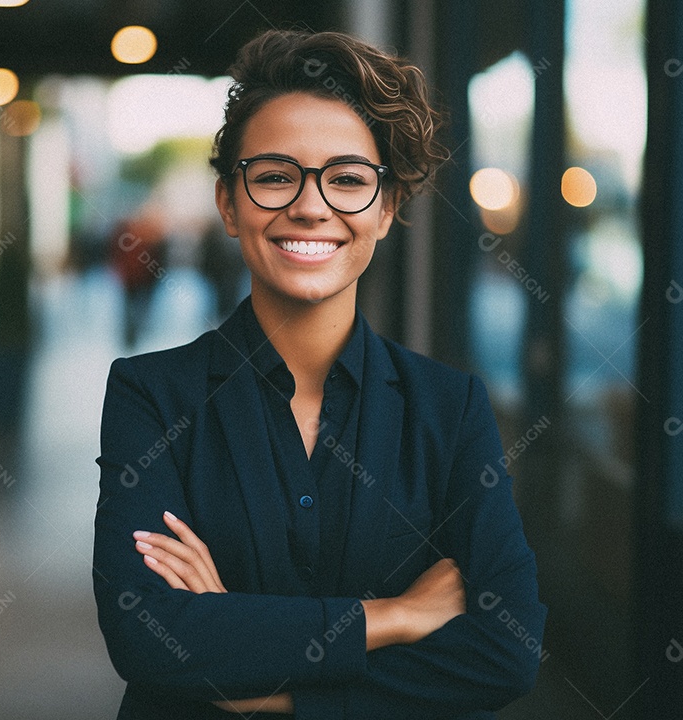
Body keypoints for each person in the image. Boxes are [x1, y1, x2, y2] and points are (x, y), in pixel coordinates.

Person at [93, 28, 546, 719]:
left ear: (387, 208)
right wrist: (391, 617)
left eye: (348, 180)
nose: (310, 206)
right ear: (228, 202)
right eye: (275, 175)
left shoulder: (448, 408)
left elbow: (504, 651)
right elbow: (148, 638)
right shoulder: (151, 396)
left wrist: (264, 686)